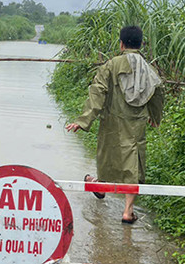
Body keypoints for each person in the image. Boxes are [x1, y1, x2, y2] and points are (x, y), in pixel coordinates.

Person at [65, 25, 164, 224]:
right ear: (141, 43)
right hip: (137, 123)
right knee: (133, 163)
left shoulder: (111, 65)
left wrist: (83, 120)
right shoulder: (149, 68)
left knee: (107, 155)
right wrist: (155, 116)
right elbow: (158, 92)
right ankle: (128, 211)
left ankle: (100, 187)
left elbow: (98, 91)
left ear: (121, 44)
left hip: (112, 120)